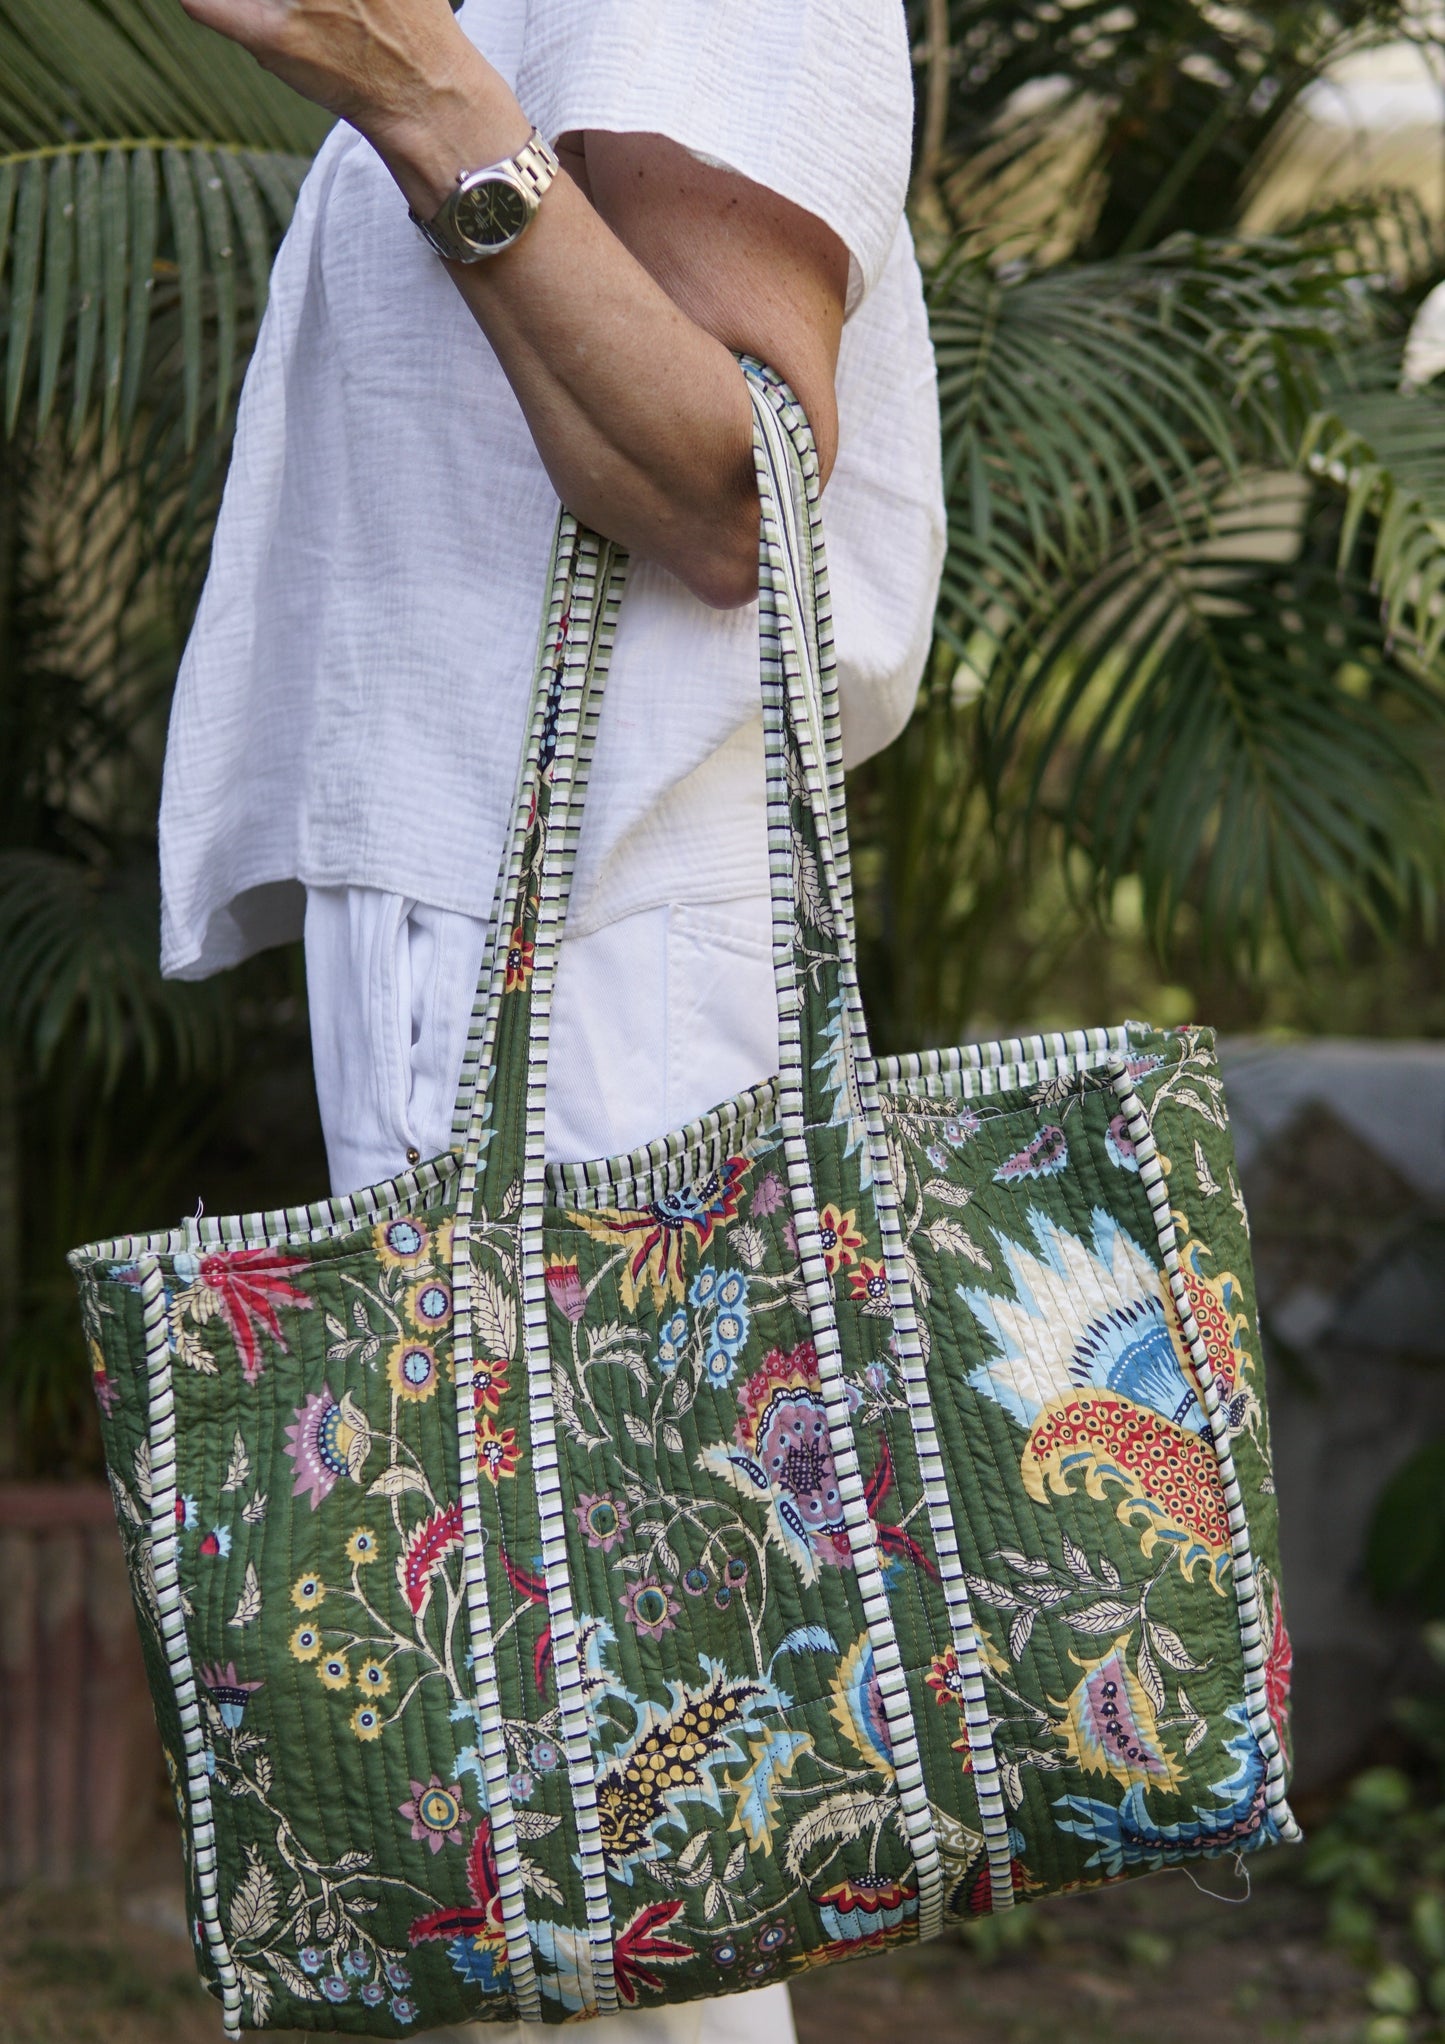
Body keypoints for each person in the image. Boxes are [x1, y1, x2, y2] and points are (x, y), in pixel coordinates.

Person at [160, 1, 944, 2036]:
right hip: (519, 915)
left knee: (613, 1877)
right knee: (573, 1879)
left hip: (595, 945)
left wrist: (421, 93)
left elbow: (723, 493)